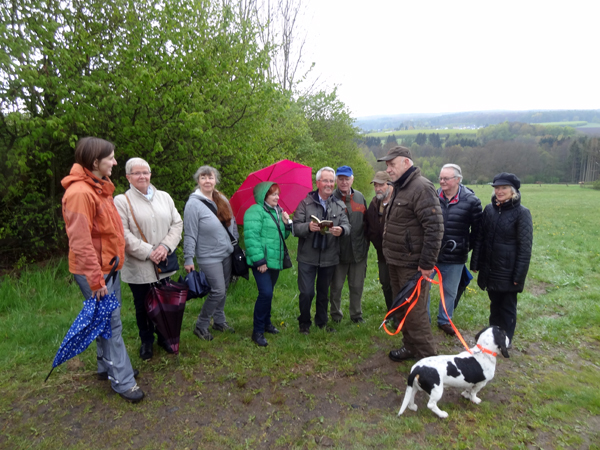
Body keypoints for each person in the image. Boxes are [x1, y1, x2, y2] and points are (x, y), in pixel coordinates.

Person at [61, 137, 144, 403]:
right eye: (111, 157)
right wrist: (96, 281)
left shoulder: (98, 188)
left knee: (102, 319)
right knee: (111, 323)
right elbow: (81, 243)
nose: (115, 162)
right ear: (95, 162)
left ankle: (106, 365)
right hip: (95, 273)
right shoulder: (80, 194)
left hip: (107, 269)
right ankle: (122, 380)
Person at [377, 146, 444, 362]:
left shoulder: (421, 187)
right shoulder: (399, 187)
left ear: (406, 163)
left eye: (392, 164)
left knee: (415, 313)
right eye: (387, 165)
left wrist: (426, 264)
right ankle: (410, 347)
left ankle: (429, 362)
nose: (388, 169)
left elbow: (435, 228)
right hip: (396, 261)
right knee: (402, 309)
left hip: (413, 266)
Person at [114, 158, 183, 360]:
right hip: (139, 265)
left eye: (146, 172)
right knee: (143, 305)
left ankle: (164, 336)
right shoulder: (121, 201)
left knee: (165, 301)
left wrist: (165, 246)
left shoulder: (164, 197)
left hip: (163, 262)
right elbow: (123, 233)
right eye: (137, 173)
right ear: (128, 177)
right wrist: (148, 251)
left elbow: (177, 224)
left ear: (151, 174)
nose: (142, 176)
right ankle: (146, 341)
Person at [470, 172, 533, 344]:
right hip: (491, 269)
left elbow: (525, 248)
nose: (499, 191)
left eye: (504, 188)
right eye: (497, 188)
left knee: (507, 307)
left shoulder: (522, 213)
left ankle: (505, 341)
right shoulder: (489, 210)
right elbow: (480, 238)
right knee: (494, 305)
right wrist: (475, 262)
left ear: (513, 191)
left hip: (509, 270)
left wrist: (518, 276)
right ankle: (494, 337)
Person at [293, 167, 351, 335]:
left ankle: (321, 322)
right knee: (306, 292)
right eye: (325, 181)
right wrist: (308, 227)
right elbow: (295, 228)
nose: (329, 184)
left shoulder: (339, 205)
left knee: (323, 293)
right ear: (317, 183)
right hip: (307, 256)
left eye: (331, 181)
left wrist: (342, 230)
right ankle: (304, 323)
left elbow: (347, 226)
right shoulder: (305, 203)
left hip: (329, 256)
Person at [183, 166, 238, 341]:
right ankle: (201, 324)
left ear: (216, 180)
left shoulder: (221, 198)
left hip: (226, 252)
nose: (207, 181)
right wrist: (188, 258)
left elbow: (232, 222)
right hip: (208, 255)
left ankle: (219, 321)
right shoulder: (193, 204)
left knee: (225, 288)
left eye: (210, 177)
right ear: (198, 181)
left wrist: (235, 244)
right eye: (203, 177)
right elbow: (190, 233)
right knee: (218, 290)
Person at [431, 164, 482, 336]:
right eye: (441, 178)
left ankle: (445, 320)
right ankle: (423, 320)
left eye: (446, 178)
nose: (442, 181)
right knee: (422, 288)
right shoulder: (432, 197)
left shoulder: (472, 201)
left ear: (458, 180)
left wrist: (464, 246)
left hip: (455, 256)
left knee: (450, 291)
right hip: (431, 254)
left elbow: (477, 231)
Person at [243, 182, 292, 346]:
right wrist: (259, 261)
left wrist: (286, 223)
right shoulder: (255, 211)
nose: (277, 197)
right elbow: (251, 237)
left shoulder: (277, 212)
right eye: (273, 195)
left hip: (274, 261)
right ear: (264, 196)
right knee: (265, 294)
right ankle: (257, 331)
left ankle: (266, 323)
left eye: (278, 194)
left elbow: (281, 237)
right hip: (262, 262)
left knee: (269, 293)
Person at [329, 165, 369, 324]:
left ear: (352, 179)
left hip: (358, 251)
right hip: (337, 252)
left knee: (356, 286)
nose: (344, 182)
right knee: (336, 287)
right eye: (341, 179)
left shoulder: (360, 197)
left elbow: (367, 222)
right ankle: (336, 315)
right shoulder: (331, 199)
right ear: (336, 180)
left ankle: (356, 315)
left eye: (347, 179)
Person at [363, 171, 394, 311]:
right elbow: (368, 225)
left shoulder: (398, 202)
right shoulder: (375, 203)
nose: (377, 189)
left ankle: (401, 315)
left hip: (398, 253)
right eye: (375, 185)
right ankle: (391, 312)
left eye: (381, 185)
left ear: (390, 184)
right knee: (385, 283)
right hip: (381, 253)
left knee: (399, 285)